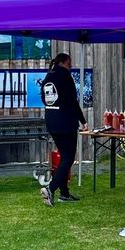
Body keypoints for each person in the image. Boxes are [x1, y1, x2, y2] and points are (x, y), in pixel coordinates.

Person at [40, 52, 88, 206]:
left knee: (63, 157)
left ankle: (64, 193)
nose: (71, 66)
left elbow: (44, 99)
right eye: (70, 63)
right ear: (64, 63)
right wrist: (83, 121)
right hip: (66, 122)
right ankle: (50, 189)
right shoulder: (65, 77)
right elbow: (72, 101)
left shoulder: (48, 77)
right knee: (68, 158)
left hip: (52, 122)